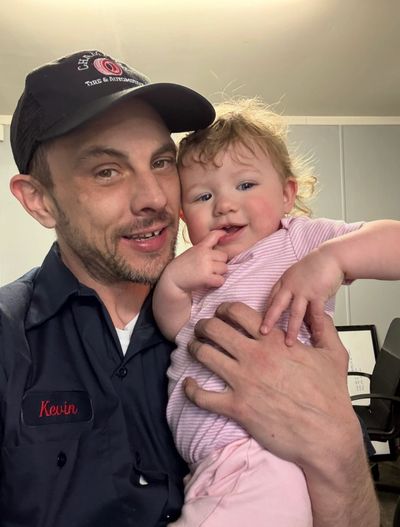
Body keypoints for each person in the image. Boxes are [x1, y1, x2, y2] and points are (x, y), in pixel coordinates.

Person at [0, 50, 379, 527]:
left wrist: (339, 447)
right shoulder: (8, 340)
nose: (155, 198)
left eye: (162, 162)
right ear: (39, 201)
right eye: (107, 171)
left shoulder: (253, 307)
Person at [153, 98, 398, 525]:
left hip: (263, 447)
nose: (224, 205)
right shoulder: (201, 267)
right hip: (215, 454)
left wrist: (332, 259)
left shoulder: (299, 241)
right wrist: (173, 283)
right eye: (203, 196)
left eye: (245, 185)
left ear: (287, 194)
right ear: (183, 216)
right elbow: (176, 328)